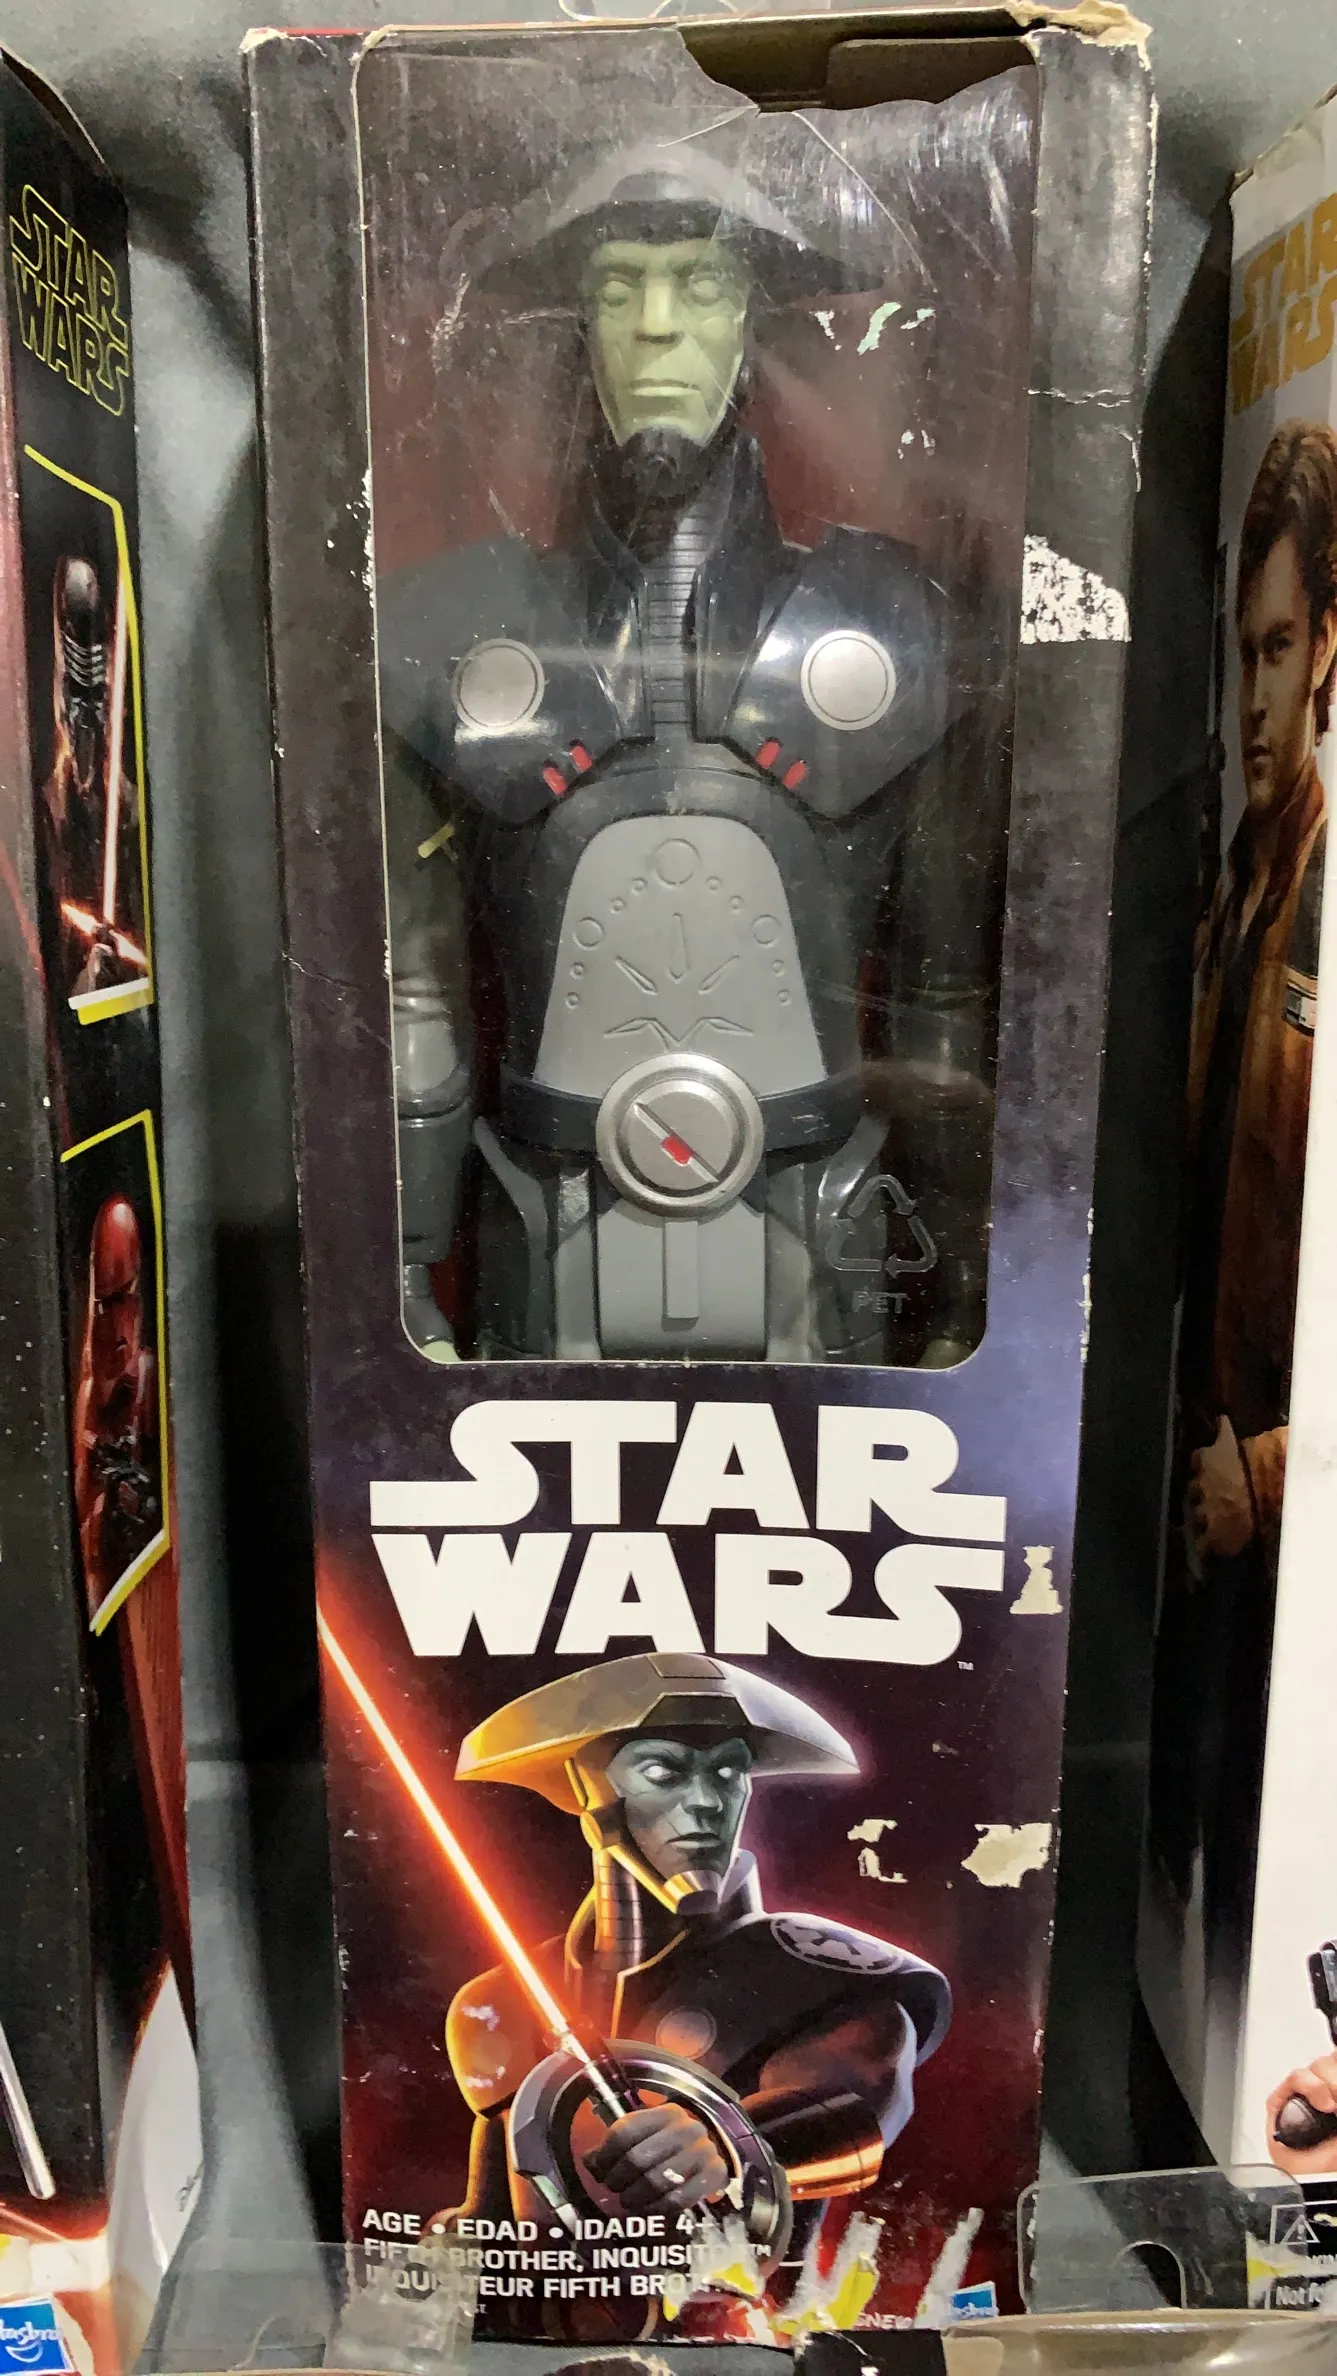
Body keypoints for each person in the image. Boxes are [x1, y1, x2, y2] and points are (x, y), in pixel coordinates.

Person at [378, 148, 999, 1364]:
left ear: (751, 320)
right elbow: (413, 997)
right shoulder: (450, 629)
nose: (655, 326)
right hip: (545, 1230)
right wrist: (404, 1286)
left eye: (699, 285)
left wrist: (962, 1303)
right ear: (581, 327)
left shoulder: (895, 626)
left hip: (814, 1229)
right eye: (618, 288)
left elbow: (941, 1005)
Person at [438, 1652, 948, 2272]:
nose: (707, 1800)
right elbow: (497, 2213)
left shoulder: (818, 1973)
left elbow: (853, 2105)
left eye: (728, 1772)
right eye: (662, 1771)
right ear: (588, 1790)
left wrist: (728, 2141)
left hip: (752, 2312)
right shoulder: (502, 2002)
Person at [1148, 422, 1337, 1993]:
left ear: (1327, 649)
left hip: (1279, 1528)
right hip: (1196, 1518)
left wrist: (1264, 1477)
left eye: (1279, 651)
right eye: (1240, 656)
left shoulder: (1322, 898)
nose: (1253, 699)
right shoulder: (1235, 892)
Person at [72, 1193, 160, 1615]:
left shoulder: (143, 1374)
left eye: (126, 1302)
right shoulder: (90, 1389)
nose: (118, 1325)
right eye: (108, 1306)